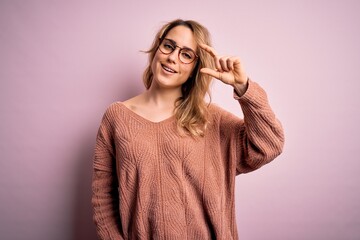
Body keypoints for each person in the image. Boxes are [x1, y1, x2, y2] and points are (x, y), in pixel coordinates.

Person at [92, 19, 284, 239]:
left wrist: (242, 86)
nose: (173, 57)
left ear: (195, 68)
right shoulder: (117, 117)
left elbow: (270, 145)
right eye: (169, 46)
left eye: (186, 54)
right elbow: (102, 199)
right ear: (157, 48)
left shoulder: (211, 119)